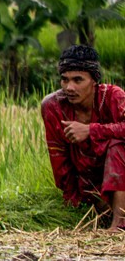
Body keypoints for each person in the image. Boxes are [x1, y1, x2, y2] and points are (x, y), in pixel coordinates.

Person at [40, 44, 125, 229]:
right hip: (88, 183)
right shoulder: (53, 106)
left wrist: (91, 130)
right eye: (64, 80)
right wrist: (72, 198)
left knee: (117, 145)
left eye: (78, 80)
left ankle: (119, 224)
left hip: (120, 177)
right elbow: (58, 155)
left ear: (94, 80)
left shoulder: (113, 97)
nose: (69, 87)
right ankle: (101, 210)